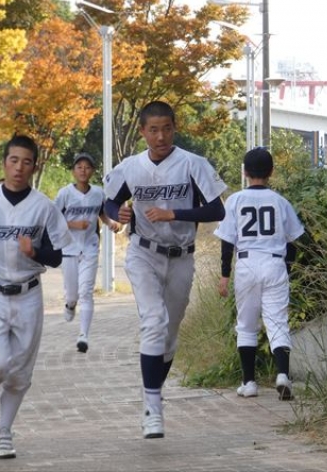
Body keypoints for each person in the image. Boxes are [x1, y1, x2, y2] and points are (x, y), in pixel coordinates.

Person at [104, 100, 227, 439]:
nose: (161, 137)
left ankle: (153, 396)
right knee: (154, 321)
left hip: (181, 257)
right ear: (143, 132)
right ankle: (152, 408)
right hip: (143, 253)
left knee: (169, 335)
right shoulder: (131, 167)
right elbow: (110, 201)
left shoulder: (193, 164)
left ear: (175, 128)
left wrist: (175, 214)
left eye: (167, 129)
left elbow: (217, 211)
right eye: (154, 130)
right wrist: (118, 213)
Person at [0, 134, 72, 459]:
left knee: (19, 372)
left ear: (34, 167)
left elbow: (58, 255)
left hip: (27, 294)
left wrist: (34, 251)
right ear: (4, 162)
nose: (19, 168)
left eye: (27, 162)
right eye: (14, 160)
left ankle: (4, 432)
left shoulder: (44, 207)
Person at [214, 147, 304, 401]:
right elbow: (294, 241)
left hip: (246, 263)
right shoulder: (280, 201)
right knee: (277, 322)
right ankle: (283, 375)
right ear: (271, 172)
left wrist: (224, 275)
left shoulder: (235, 200)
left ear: (244, 172)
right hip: (274, 262)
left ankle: (249, 383)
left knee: (246, 324)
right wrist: (286, 269)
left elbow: (227, 242)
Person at [55, 152, 121, 353]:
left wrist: (110, 223)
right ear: (73, 171)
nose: (83, 171)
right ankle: (69, 304)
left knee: (86, 292)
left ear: (92, 171)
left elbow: (102, 213)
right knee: (73, 295)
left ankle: (83, 335)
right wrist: (74, 224)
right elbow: (53, 219)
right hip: (69, 249)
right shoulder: (64, 194)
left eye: (87, 167)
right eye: (79, 167)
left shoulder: (98, 193)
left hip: (90, 248)